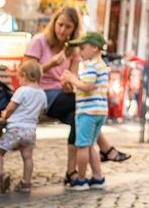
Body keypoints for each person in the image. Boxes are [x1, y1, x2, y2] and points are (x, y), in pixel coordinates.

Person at [22, 6, 128, 186]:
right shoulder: (39, 41)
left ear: (74, 29)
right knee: (84, 108)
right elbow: (26, 73)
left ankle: (72, 173)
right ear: (54, 23)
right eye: (60, 24)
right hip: (40, 94)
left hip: (63, 98)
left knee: (76, 118)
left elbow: (74, 79)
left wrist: (68, 84)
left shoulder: (74, 49)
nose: (63, 30)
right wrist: (50, 64)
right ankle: (105, 148)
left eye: (68, 27)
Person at [62, 32, 110, 190]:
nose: (80, 52)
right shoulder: (102, 65)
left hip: (87, 112)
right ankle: (97, 177)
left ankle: (81, 179)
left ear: (94, 48)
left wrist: (72, 79)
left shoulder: (90, 65)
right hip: (99, 111)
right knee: (90, 145)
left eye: (82, 48)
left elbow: (88, 86)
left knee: (82, 146)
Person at [0, 60, 47, 194]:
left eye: (19, 78)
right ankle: (26, 183)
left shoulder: (22, 91)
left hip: (16, 130)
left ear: (24, 75)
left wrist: (5, 114)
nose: (19, 81)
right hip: (30, 132)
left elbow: (12, 106)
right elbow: (42, 112)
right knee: (27, 157)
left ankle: (1, 175)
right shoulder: (42, 94)